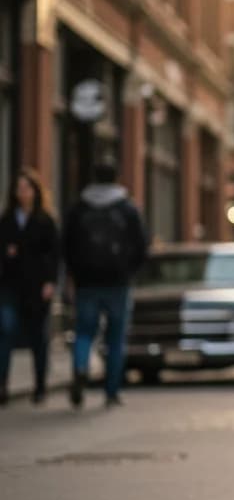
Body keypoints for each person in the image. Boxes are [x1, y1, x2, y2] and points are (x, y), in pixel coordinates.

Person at [63, 158, 149, 407]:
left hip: (86, 282)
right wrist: (130, 271)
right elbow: (142, 246)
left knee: (83, 332)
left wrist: (73, 273)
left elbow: (66, 245)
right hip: (118, 283)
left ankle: (80, 367)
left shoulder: (79, 207)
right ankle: (111, 392)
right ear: (116, 178)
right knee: (115, 338)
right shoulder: (127, 208)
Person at [0, 168, 60, 405]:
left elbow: (54, 255)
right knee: (5, 332)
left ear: (35, 191)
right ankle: (2, 385)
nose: (22, 193)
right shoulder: (6, 220)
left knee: (38, 337)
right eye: (19, 188)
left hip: (37, 286)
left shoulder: (45, 220)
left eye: (27, 188)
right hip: (10, 286)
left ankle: (40, 386)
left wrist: (51, 282)